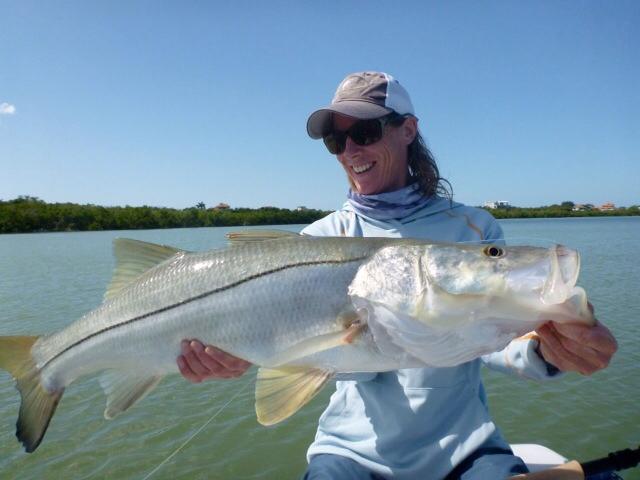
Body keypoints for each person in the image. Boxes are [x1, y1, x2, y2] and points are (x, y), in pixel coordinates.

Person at [177, 72, 618, 479]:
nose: (350, 151)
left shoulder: (471, 229)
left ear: (408, 129)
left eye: (365, 132)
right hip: (347, 452)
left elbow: (494, 334)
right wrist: (240, 354)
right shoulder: (319, 238)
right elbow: (288, 352)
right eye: (336, 140)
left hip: (465, 448)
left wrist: (553, 350)